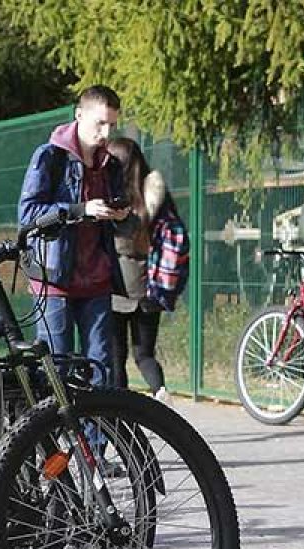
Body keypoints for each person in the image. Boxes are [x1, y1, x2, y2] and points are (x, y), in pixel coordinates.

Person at [18, 85, 130, 387]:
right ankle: (48, 434)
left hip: (97, 280)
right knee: (57, 368)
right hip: (54, 280)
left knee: (102, 367)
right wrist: (80, 209)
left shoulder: (111, 165)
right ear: (79, 115)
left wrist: (121, 214)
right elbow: (28, 215)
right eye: (100, 123)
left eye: (112, 125)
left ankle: (98, 436)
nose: (106, 133)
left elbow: (120, 214)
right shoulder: (50, 157)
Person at [105, 137, 190, 404]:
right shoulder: (155, 198)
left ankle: (121, 411)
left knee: (116, 357)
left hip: (117, 287)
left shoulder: (113, 199)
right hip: (151, 287)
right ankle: (160, 392)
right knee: (144, 354)